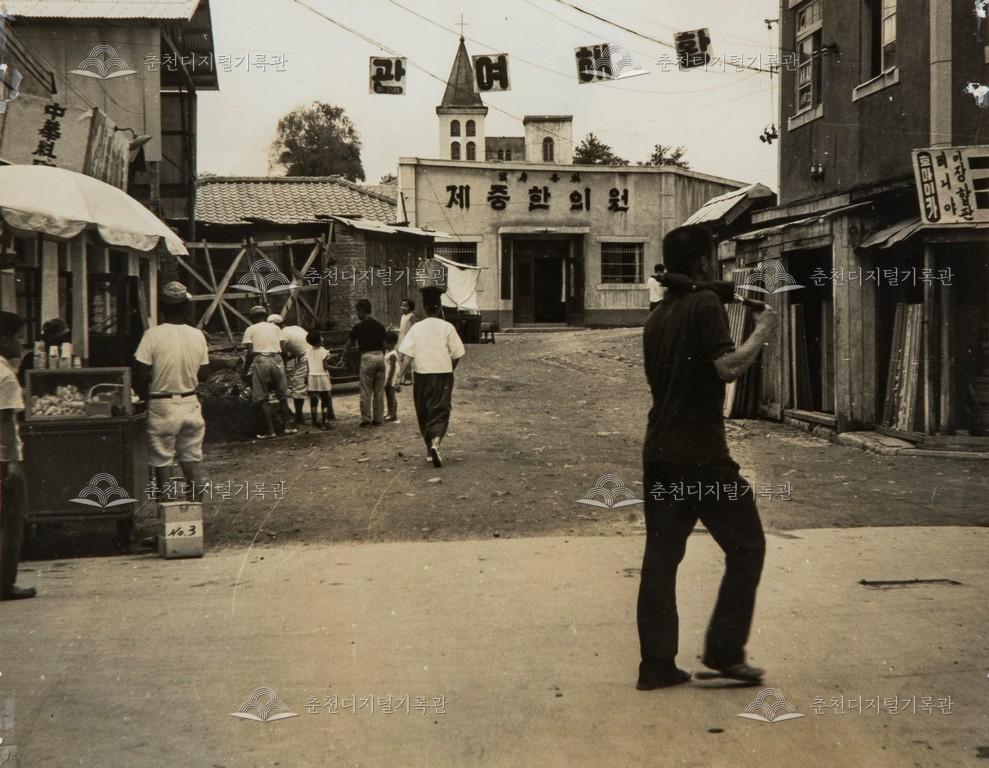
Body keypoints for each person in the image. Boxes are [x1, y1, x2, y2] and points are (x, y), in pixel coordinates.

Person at [637, 225, 777, 690]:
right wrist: (762, 331)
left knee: (661, 558)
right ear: (701, 263)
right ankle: (723, 651)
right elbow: (725, 367)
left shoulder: (657, 316)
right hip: (702, 456)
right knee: (748, 546)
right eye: (713, 259)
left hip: (659, 452)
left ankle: (656, 666)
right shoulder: (704, 304)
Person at [133, 281, 211, 502]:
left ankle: (167, 516)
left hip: (162, 404)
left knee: (162, 461)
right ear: (186, 307)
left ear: (162, 308)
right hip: (190, 402)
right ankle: (194, 514)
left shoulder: (152, 335)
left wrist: (145, 391)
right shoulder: (198, 336)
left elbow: (141, 373)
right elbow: (204, 374)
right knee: (192, 459)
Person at [397, 286, 465, 468]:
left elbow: (407, 355)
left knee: (423, 410)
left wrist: (398, 377)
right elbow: (457, 353)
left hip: (422, 375)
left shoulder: (417, 328)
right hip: (443, 375)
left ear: (424, 307)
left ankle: (429, 449)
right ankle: (435, 443)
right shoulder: (447, 327)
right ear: (439, 306)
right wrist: (450, 369)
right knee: (441, 411)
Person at [0, 311, 34, 600]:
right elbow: (5, 421)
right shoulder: (6, 376)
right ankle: (5, 583)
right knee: (11, 522)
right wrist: (12, 462)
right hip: (4, 459)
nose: (21, 343)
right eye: (18, 337)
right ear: (4, 339)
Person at [242, 306, 297, 439]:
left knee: (262, 397)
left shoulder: (250, 329)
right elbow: (284, 350)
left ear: (253, 318)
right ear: (265, 316)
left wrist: (245, 369)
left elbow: (249, 352)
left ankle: (271, 430)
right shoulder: (276, 328)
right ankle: (288, 427)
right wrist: (282, 364)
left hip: (260, 359)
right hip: (277, 358)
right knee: (282, 396)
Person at [341, 299, 387, 427]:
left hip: (367, 357)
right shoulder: (380, 325)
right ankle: (378, 419)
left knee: (366, 390)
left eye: (357, 311)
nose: (357, 314)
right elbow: (384, 344)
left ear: (361, 310)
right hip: (380, 356)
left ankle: (366, 419)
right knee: (379, 391)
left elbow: (348, 344)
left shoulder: (358, 327)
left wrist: (343, 358)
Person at [270, 314, 311, 428]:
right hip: (313, 353)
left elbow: (283, 352)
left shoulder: (281, 334)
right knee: (317, 383)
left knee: (298, 384)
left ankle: (299, 417)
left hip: (306, 356)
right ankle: (330, 412)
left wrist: (281, 364)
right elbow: (299, 347)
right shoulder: (295, 327)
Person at [305, 330, 335, 429]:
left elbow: (308, 366)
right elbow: (325, 366)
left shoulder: (308, 352)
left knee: (313, 400)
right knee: (325, 399)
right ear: (319, 340)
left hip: (312, 376)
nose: (323, 338)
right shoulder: (324, 351)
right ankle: (324, 420)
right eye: (321, 337)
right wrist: (338, 369)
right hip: (322, 377)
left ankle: (314, 420)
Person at [398, 298, 417, 385]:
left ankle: (408, 378)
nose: (403, 308)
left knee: (407, 359)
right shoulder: (402, 317)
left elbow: (413, 328)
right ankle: (402, 378)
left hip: (408, 339)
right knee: (400, 359)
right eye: (402, 306)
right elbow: (402, 329)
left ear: (410, 307)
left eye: (405, 306)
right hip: (401, 339)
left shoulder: (411, 316)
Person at [383, 330, 400, 423]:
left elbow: (393, 368)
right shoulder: (387, 352)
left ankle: (393, 414)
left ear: (391, 343)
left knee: (391, 396)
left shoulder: (392, 354)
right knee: (388, 395)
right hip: (387, 376)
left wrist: (389, 379)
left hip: (391, 377)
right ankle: (389, 413)